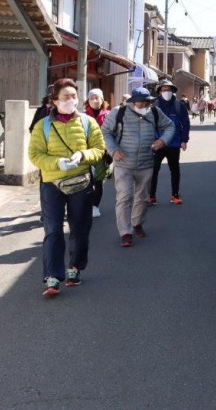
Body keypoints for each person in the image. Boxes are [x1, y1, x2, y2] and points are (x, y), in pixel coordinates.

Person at [28, 78, 106, 297]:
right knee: (53, 230)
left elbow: (99, 149)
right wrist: (56, 163)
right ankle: (52, 276)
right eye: (66, 97)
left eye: (74, 96)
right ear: (54, 101)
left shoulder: (87, 122)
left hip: (81, 181)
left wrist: (83, 155)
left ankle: (75, 267)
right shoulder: (42, 125)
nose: (71, 100)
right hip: (52, 183)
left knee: (80, 228)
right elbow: (34, 154)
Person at [101, 87, 174, 248]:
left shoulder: (154, 111)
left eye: (146, 103)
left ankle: (137, 223)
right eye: (140, 104)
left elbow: (170, 126)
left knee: (143, 198)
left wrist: (163, 141)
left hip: (146, 163)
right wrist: (113, 150)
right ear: (133, 102)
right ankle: (125, 232)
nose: (143, 107)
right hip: (123, 163)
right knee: (125, 197)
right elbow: (105, 131)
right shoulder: (118, 112)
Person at [150, 79, 191, 206]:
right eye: (163, 89)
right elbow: (149, 124)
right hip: (157, 144)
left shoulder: (180, 105)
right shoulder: (154, 106)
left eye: (169, 89)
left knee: (174, 170)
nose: (166, 91)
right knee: (153, 170)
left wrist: (184, 140)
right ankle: (151, 196)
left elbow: (185, 123)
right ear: (159, 91)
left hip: (174, 143)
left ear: (173, 91)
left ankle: (175, 195)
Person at [84, 88, 110, 218]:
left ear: (102, 99)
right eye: (92, 98)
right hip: (85, 153)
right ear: (88, 100)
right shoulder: (82, 115)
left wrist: (110, 152)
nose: (94, 100)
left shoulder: (109, 115)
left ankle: (95, 206)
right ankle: (84, 205)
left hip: (102, 154)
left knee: (99, 181)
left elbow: (114, 133)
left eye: (97, 97)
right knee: (85, 181)